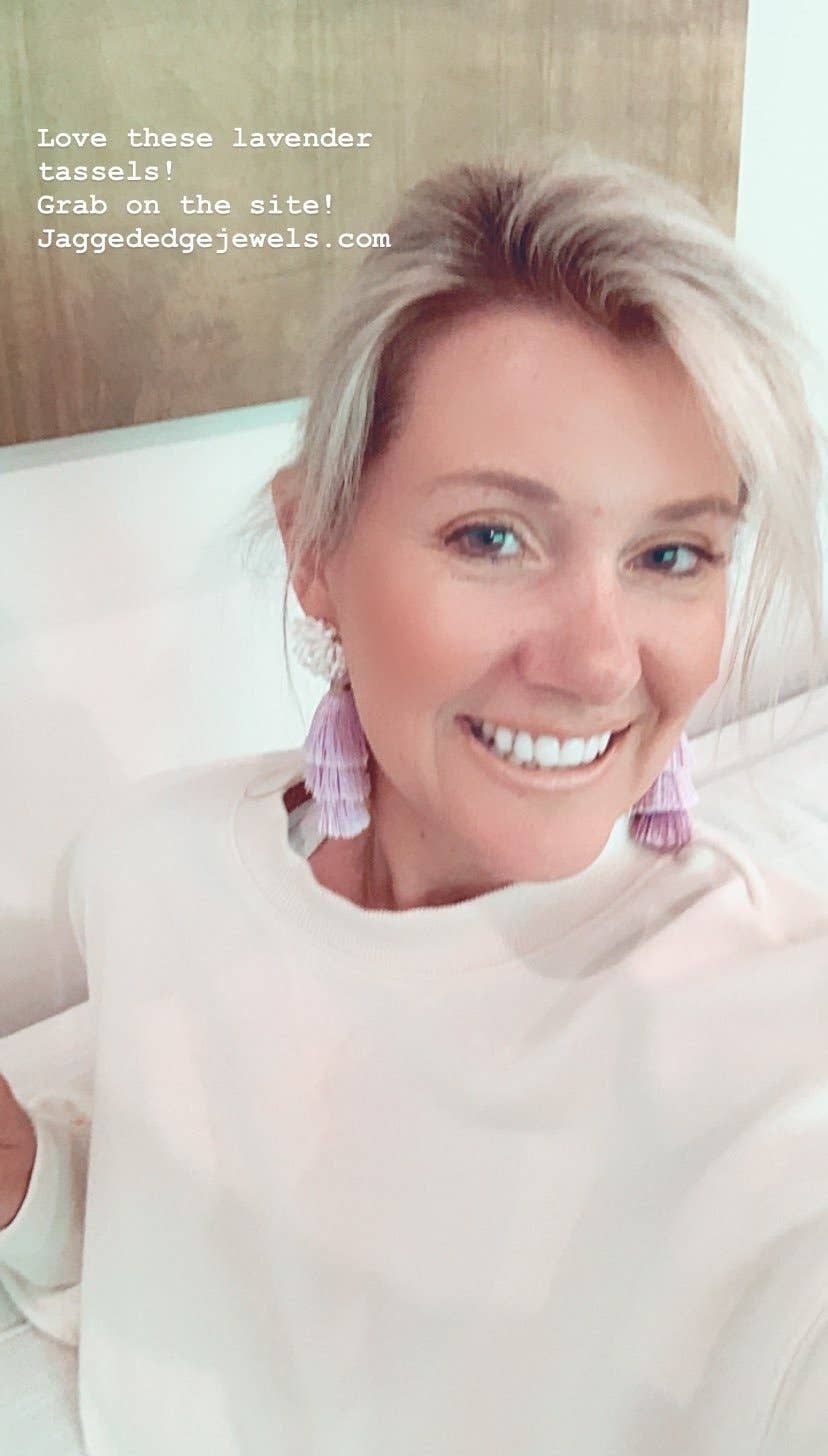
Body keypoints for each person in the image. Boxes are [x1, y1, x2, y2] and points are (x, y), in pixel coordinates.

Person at [1, 140, 827, 1455]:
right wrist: (35, 1190)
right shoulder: (141, 872)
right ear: (314, 547)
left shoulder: (776, 1039)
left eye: (673, 553)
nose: (599, 663)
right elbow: (203, 1253)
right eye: (493, 536)